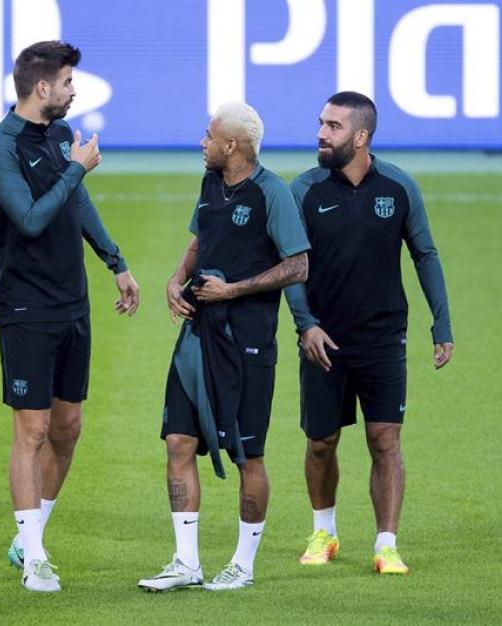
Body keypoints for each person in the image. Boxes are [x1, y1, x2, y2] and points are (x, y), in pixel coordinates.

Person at [0, 40, 140, 593]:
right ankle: (35, 557)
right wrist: (75, 170)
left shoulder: (60, 134)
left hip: (73, 302)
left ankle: (28, 537)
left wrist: (115, 261)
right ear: (42, 87)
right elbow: (28, 219)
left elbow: (75, 202)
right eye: (68, 82)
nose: (74, 91)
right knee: (33, 429)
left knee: (68, 428)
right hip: (26, 307)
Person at [137, 102, 309, 593]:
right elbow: (200, 238)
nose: (202, 142)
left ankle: (242, 564)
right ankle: (186, 562)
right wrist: (176, 278)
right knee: (178, 441)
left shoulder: (272, 193)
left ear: (231, 145)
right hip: (198, 335)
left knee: (247, 455)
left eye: (209, 136)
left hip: (247, 343)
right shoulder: (211, 183)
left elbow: (298, 266)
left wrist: (233, 290)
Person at [285, 91, 454, 575]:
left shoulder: (399, 187)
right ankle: (324, 531)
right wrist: (306, 325)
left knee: (385, 440)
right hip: (323, 340)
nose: (321, 133)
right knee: (322, 442)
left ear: (361, 137)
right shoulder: (305, 190)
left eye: (333, 126)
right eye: (321, 122)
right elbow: (292, 265)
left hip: (383, 338)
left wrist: (441, 323)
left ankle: (386, 544)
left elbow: (425, 254)